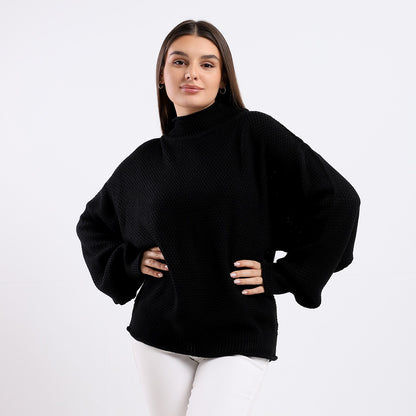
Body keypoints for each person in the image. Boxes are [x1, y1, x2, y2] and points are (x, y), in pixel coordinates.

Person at [75, 19, 361, 416]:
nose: (191, 73)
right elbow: (93, 224)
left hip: (239, 332)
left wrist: (287, 275)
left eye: (207, 64)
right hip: (159, 335)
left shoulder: (254, 133)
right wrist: (132, 262)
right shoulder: (147, 160)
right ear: (161, 75)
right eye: (179, 62)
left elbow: (339, 199)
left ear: (223, 79)